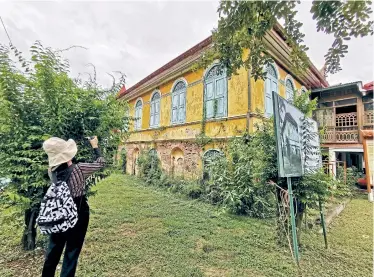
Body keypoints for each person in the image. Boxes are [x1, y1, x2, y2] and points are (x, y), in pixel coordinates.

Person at [41, 136, 105, 277]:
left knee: (53, 250)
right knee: (72, 252)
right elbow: (100, 163)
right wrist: (95, 146)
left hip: (57, 214)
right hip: (78, 213)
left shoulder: (51, 171)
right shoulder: (80, 169)